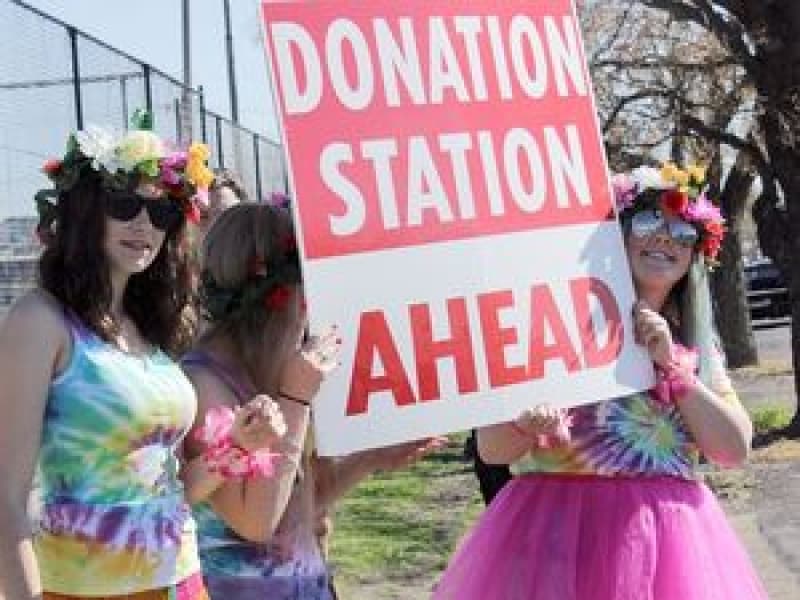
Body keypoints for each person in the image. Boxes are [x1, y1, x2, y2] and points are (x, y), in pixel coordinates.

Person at [433, 163, 768, 600]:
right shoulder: (551, 329)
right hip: (555, 543)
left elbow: (733, 449)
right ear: (615, 236)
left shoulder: (693, 345)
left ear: (694, 258)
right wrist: (525, 425)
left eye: (683, 232)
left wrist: (673, 369)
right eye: (647, 221)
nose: (665, 238)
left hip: (669, 552)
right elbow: (492, 449)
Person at [0, 114, 219, 598]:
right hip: (83, 588)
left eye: (160, 212)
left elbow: (166, 484)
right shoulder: (39, 321)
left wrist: (238, 446)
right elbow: (5, 497)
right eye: (123, 205)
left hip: (182, 582)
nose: (143, 223)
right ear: (86, 214)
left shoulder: (152, 327)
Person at [182, 201, 441, 599]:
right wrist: (295, 398)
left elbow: (303, 503)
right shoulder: (204, 382)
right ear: (287, 295)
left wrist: (371, 458)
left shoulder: (273, 368)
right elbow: (257, 523)